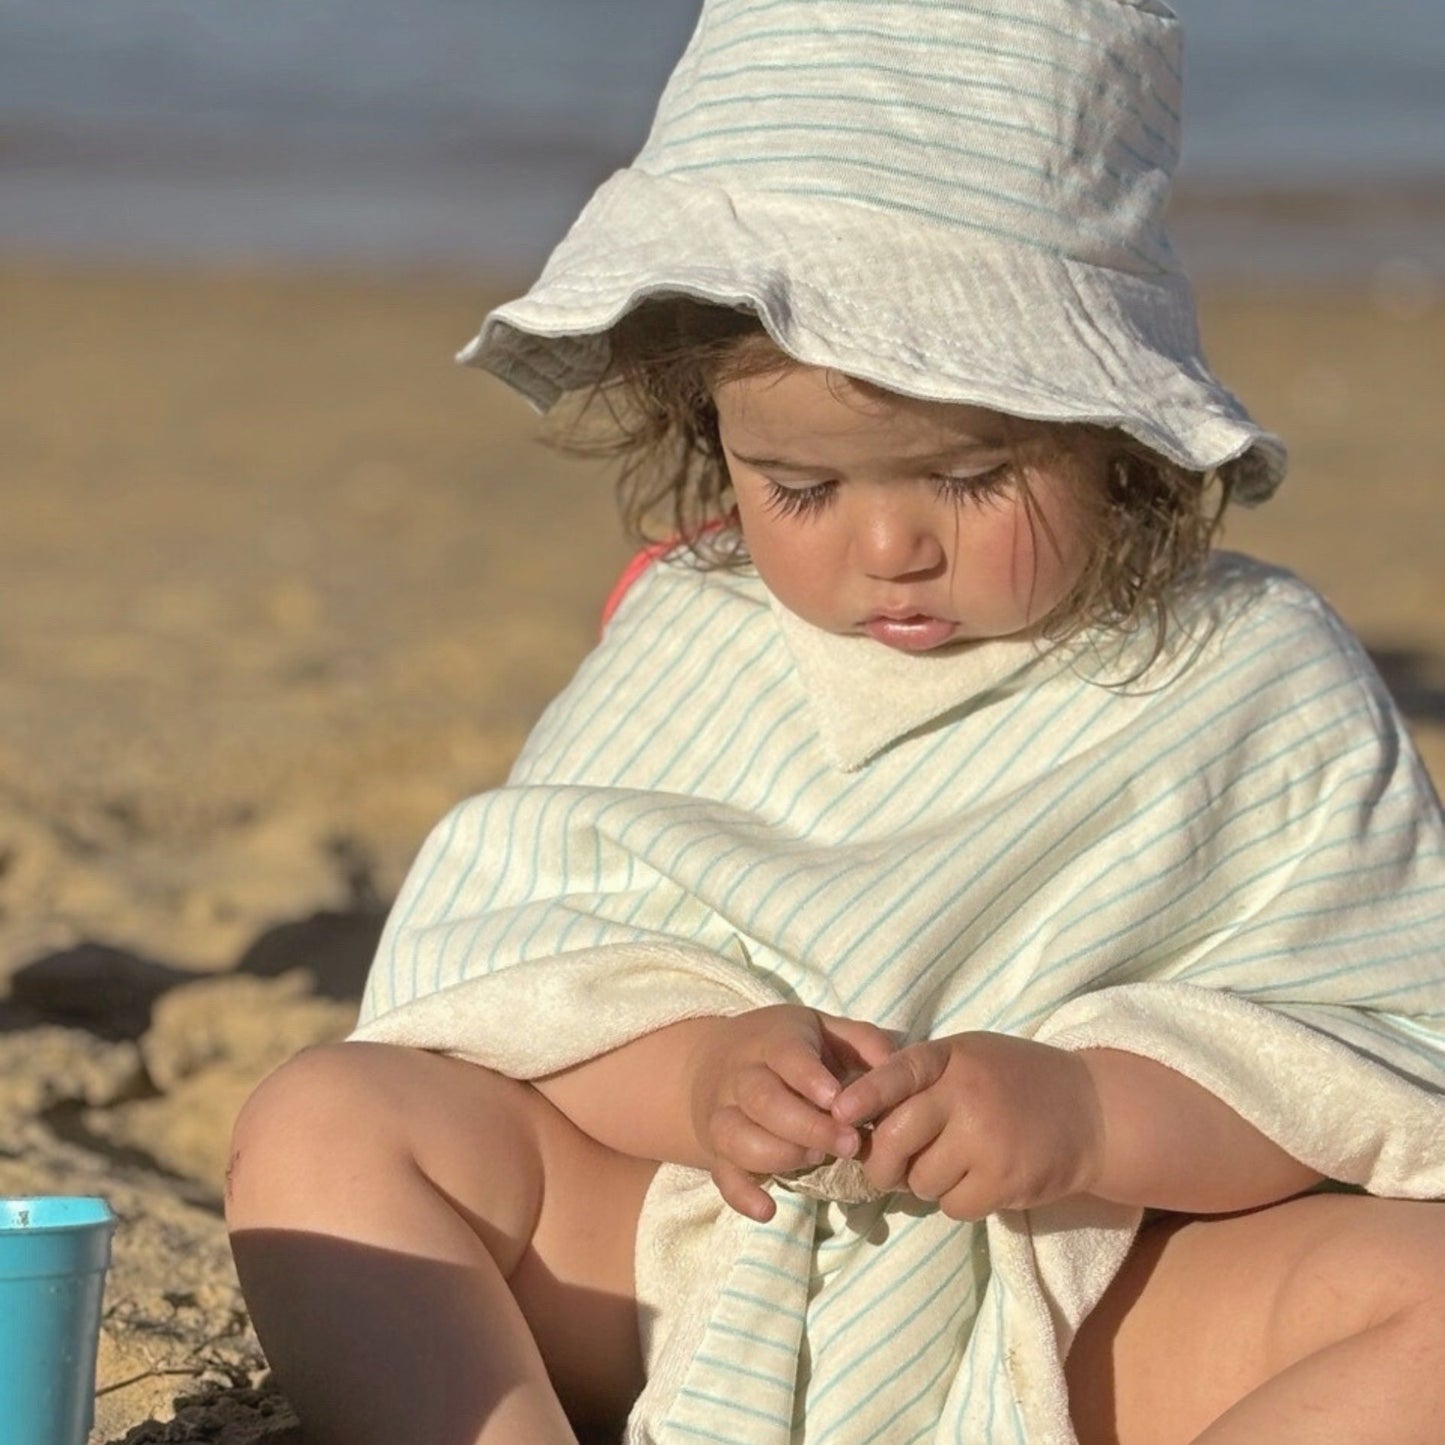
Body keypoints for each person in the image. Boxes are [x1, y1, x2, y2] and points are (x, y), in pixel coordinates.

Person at [224, 2, 1445, 1442]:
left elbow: (1361, 1049)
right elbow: (527, 964)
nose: (885, 548)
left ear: (1115, 434)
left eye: (971, 478)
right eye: (799, 489)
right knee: (325, 1121)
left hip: (1078, 1284)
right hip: (685, 1250)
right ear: (705, 431)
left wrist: (1091, 1113)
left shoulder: (1245, 665)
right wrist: (694, 1071)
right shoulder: (698, 628)